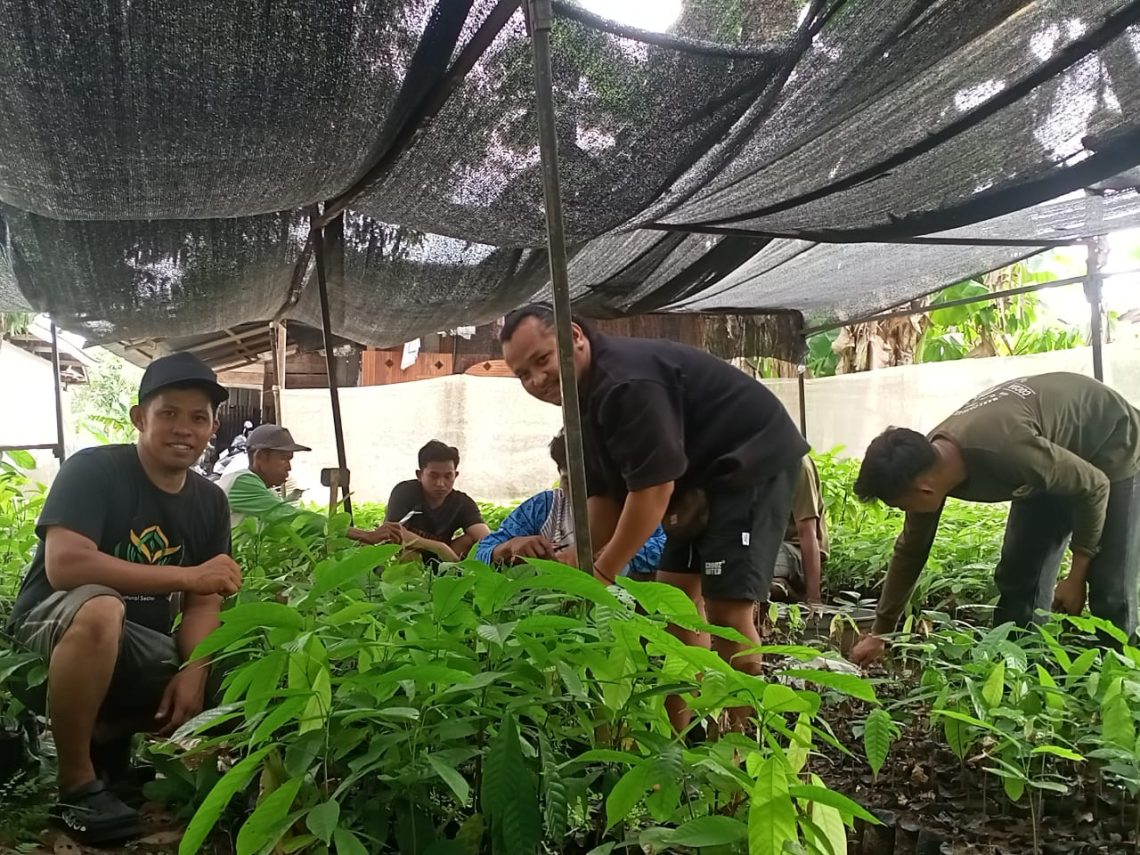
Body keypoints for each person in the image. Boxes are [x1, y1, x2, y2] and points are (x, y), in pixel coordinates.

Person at [500, 304, 809, 732]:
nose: (536, 380)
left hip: (748, 463)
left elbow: (652, 490)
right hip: (697, 478)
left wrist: (602, 571)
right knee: (674, 603)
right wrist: (575, 560)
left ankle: (743, 746)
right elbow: (608, 497)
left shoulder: (625, 382)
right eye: (522, 374)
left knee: (726, 610)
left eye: (542, 360)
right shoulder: (583, 403)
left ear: (575, 337)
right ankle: (685, 739)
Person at [6, 352, 242, 844]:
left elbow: (204, 603)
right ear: (140, 418)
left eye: (199, 417)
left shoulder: (210, 501)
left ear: (212, 428)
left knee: (240, 665)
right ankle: (75, 783)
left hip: (135, 643)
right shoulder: (95, 470)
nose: (185, 428)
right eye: (169, 413)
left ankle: (108, 738)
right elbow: (65, 565)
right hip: (51, 624)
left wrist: (193, 674)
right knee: (101, 608)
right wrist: (187, 575)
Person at [849, 373, 1140, 667]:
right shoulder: (926, 466)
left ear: (923, 489)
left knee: (1108, 583)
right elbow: (911, 550)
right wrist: (881, 633)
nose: (904, 513)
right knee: (1019, 574)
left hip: (1109, 443)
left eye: (900, 506)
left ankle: (1117, 676)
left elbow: (1094, 485)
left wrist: (1076, 577)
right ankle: (1019, 670)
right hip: (1045, 459)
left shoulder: (1005, 450)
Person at [476, 431, 666, 575]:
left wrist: (618, 551)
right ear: (559, 472)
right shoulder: (543, 507)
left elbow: (668, 547)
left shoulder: (638, 505)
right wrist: (508, 547)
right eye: (569, 481)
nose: (579, 492)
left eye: (590, 484)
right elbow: (481, 552)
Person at [348, 440, 490, 563]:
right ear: (419, 474)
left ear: (456, 475)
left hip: (445, 560)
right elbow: (394, 532)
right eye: (433, 476)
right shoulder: (405, 492)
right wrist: (439, 547)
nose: (441, 483)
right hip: (411, 556)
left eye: (448, 476)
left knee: (471, 540)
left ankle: (455, 574)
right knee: (407, 553)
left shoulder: (463, 503)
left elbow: (486, 537)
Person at [216, 424, 322, 532]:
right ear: (260, 457)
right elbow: (288, 517)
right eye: (283, 459)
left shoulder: (267, 492)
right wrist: (334, 526)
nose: (289, 467)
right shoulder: (242, 482)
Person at [770, 456, 828, 604]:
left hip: (796, 550)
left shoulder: (798, 464)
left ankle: (796, 597)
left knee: (760, 571)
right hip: (768, 544)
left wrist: (814, 599)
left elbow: (807, 532)